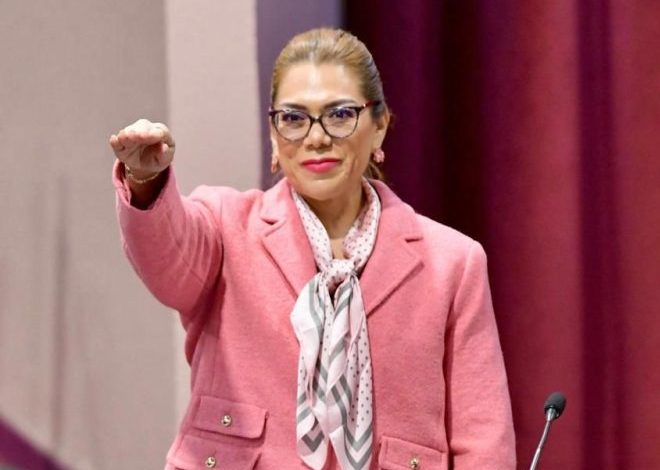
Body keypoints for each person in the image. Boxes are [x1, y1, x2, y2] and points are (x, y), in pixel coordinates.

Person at [109, 28, 515, 470]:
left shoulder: (452, 263)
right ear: (274, 135)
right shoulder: (226, 227)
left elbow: (484, 442)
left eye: (339, 115)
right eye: (294, 118)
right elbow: (168, 261)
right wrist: (145, 180)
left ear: (379, 127)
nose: (316, 137)